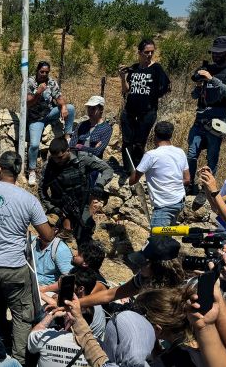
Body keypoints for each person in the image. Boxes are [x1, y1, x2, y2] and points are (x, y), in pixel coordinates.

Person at [0, 151, 54, 365]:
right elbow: (47, 236)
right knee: (22, 315)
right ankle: (18, 363)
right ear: (18, 172)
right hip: (14, 267)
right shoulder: (27, 199)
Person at [28, 269, 106, 367]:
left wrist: (51, 315)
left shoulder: (82, 314)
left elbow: (34, 336)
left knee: (40, 323)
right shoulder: (91, 307)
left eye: (72, 285)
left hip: (73, 345)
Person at [187, 36, 226, 190]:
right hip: (200, 118)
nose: (215, 56)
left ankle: (207, 189)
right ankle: (189, 184)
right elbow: (194, 96)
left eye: (219, 53)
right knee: (191, 154)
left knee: (212, 157)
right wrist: (199, 85)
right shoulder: (208, 68)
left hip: (218, 119)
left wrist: (212, 79)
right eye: (214, 52)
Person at [78, 236, 185, 309]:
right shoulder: (144, 277)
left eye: (143, 263)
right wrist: (77, 303)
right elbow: (110, 294)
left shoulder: (183, 287)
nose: (139, 267)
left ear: (158, 267)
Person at [39, 137, 113, 240]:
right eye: (54, 158)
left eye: (60, 157)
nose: (57, 161)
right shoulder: (48, 167)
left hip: (82, 204)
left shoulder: (82, 158)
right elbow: (42, 190)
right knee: (50, 236)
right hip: (60, 207)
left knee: (85, 231)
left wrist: (100, 184)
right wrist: (52, 207)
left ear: (68, 150)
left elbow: (107, 169)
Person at [119, 38, 171, 170]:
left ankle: (138, 170)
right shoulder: (134, 68)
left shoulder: (156, 68)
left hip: (147, 112)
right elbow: (126, 90)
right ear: (139, 52)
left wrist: (153, 96)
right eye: (146, 52)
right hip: (130, 110)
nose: (149, 55)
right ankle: (128, 170)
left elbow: (166, 86)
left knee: (139, 142)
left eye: (152, 52)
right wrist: (122, 77)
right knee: (127, 141)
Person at [129, 121, 190, 228]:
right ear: (171, 135)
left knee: (157, 241)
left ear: (154, 134)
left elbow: (133, 180)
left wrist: (132, 169)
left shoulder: (151, 155)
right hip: (179, 202)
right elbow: (187, 179)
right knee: (166, 238)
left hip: (164, 206)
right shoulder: (180, 152)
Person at [25, 61, 76, 185]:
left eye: (46, 72)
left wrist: (63, 106)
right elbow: (28, 103)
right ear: (37, 71)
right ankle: (32, 170)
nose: (44, 74)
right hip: (36, 118)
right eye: (42, 72)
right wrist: (38, 92)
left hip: (49, 113)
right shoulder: (29, 82)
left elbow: (59, 97)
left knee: (70, 108)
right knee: (35, 145)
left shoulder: (51, 82)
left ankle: (67, 136)